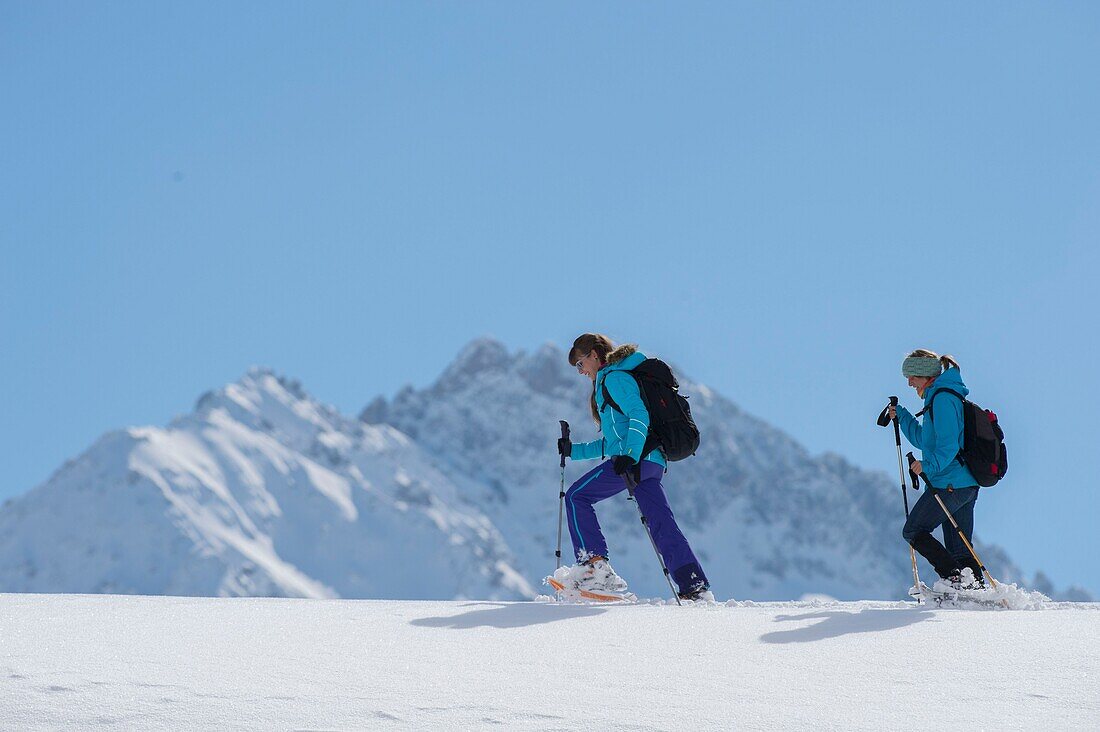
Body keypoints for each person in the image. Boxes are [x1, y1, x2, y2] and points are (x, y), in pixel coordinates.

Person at [556, 333, 711, 600]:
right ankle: (693, 585)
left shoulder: (614, 378)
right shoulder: (614, 378)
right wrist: (574, 451)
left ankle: (595, 569)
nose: (580, 372)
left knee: (576, 496)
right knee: (660, 522)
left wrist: (630, 454)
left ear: (594, 355)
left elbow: (639, 414)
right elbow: (613, 442)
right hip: (650, 460)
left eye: (580, 364)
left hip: (637, 459)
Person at [888, 349, 983, 589]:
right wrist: (901, 415)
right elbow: (924, 441)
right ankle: (975, 590)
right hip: (962, 484)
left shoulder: (942, 399)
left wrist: (927, 466)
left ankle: (955, 579)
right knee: (958, 550)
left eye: (912, 376)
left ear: (925, 374)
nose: (909, 382)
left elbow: (948, 445)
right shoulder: (938, 398)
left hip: (950, 483)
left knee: (914, 530)